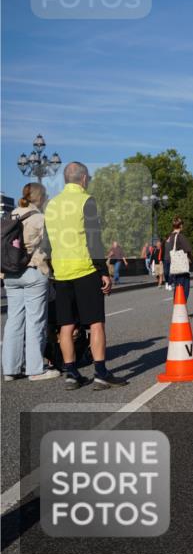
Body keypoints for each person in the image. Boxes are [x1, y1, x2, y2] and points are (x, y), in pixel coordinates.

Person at [44, 162, 128, 389]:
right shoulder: (86, 201)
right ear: (83, 179)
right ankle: (100, 373)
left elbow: (47, 242)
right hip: (84, 269)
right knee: (96, 323)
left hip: (61, 272)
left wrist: (54, 268)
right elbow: (93, 239)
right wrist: (103, 271)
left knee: (66, 325)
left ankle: (71, 374)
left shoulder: (51, 204)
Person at [2, 183, 60, 382]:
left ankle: (10, 368)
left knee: (14, 321)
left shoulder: (9, 217)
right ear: (40, 197)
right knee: (35, 321)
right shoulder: (40, 218)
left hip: (10, 274)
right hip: (34, 271)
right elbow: (52, 246)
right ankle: (35, 369)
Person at [164, 217, 193, 300]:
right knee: (184, 287)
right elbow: (188, 249)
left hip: (174, 264)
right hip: (182, 266)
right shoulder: (180, 236)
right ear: (180, 225)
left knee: (178, 287)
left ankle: (177, 308)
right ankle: (181, 309)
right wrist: (191, 259)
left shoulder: (170, 237)